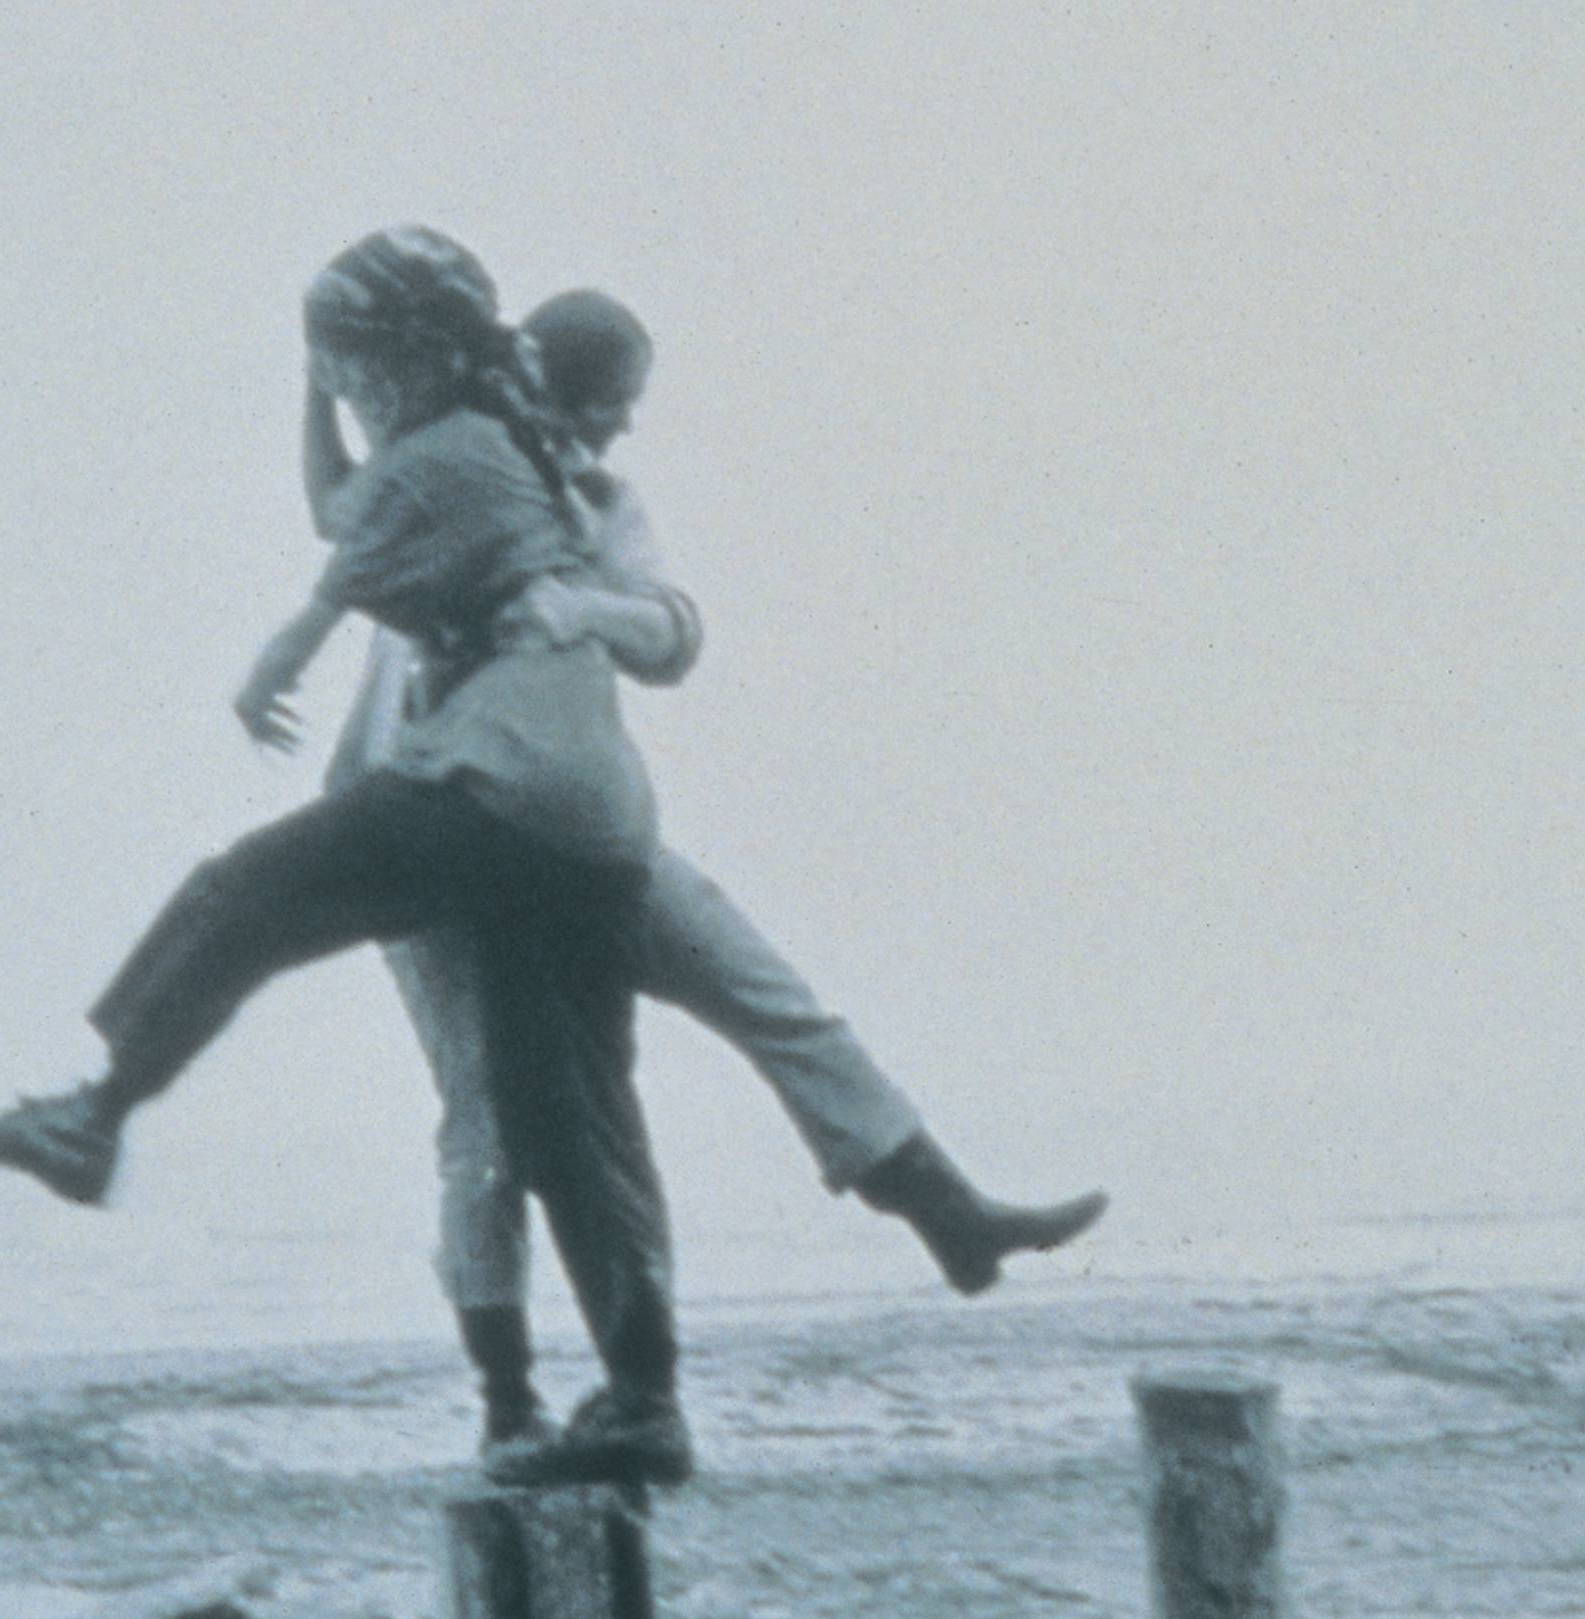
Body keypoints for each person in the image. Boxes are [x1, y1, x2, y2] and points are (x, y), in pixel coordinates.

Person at [0, 227, 697, 1487]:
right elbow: (350, 512)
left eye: (348, 369)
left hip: (498, 787)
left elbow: (330, 537)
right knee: (564, 1120)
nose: (342, 391)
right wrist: (313, 377)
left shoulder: (445, 456)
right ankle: (644, 1400)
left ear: (395, 365)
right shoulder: (502, 445)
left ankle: (95, 1114)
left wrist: (278, 646)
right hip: (594, 815)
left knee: (245, 893)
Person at [320, 290, 1109, 1458]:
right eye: (605, 409)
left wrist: (579, 607)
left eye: (622, 415)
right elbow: (342, 510)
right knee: (486, 1123)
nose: (616, 434)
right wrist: (314, 377)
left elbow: (673, 630)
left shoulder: (598, 502)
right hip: (422, 847)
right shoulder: (441, 478)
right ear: (539, 386)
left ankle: (947, 1212)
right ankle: (508, 1401)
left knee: (758, 987)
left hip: (574, 843)